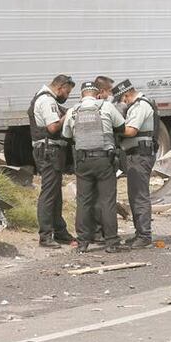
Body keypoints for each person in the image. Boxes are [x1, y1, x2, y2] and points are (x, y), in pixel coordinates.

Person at [62, 80, 126, 253]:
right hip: (104, 160)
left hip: (83, 161)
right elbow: (121, 126)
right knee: (107, 201)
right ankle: (111, 242)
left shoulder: (72, 111)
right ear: (97, 93)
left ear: (81, 95)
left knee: (83, 202)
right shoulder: (106, 107)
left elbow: (66, 135)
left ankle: (83, 242)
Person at [29, 74, 76, 249]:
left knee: (55, 193)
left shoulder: (42, 98)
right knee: (49, 193)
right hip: (49, 152)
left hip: (49, 151)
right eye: (67, 91)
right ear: (60, 87)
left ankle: (60, 231)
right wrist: (69, 114)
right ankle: (46, 235)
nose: (67, 95)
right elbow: (53, 127)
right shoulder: (47, 101)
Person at [113, 79, 159, 249]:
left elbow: (131, 130)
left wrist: (114, 127)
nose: (123, 103)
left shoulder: (141, 105)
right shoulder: (137, 105)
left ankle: (144, 235)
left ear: (127, 94)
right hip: (136, 155)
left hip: (141, 155)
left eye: (123, 100)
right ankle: (140, 233)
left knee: (140, 195)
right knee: (135, 195)